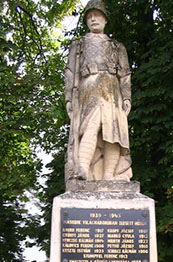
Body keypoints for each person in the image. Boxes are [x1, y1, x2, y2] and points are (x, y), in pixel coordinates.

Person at [65, 0, 132, 183]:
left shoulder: (117, 47)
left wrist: (126, 97)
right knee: (90, 126)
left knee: (113, 133)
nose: (94, 19)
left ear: (105, 19)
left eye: (97, 15)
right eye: (90, 16)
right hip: (89, 88)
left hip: (112, 91)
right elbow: (70, 72)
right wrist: (69, 99)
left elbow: (125, 74)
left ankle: (109, 175)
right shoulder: (78, 45)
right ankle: (83, 169)